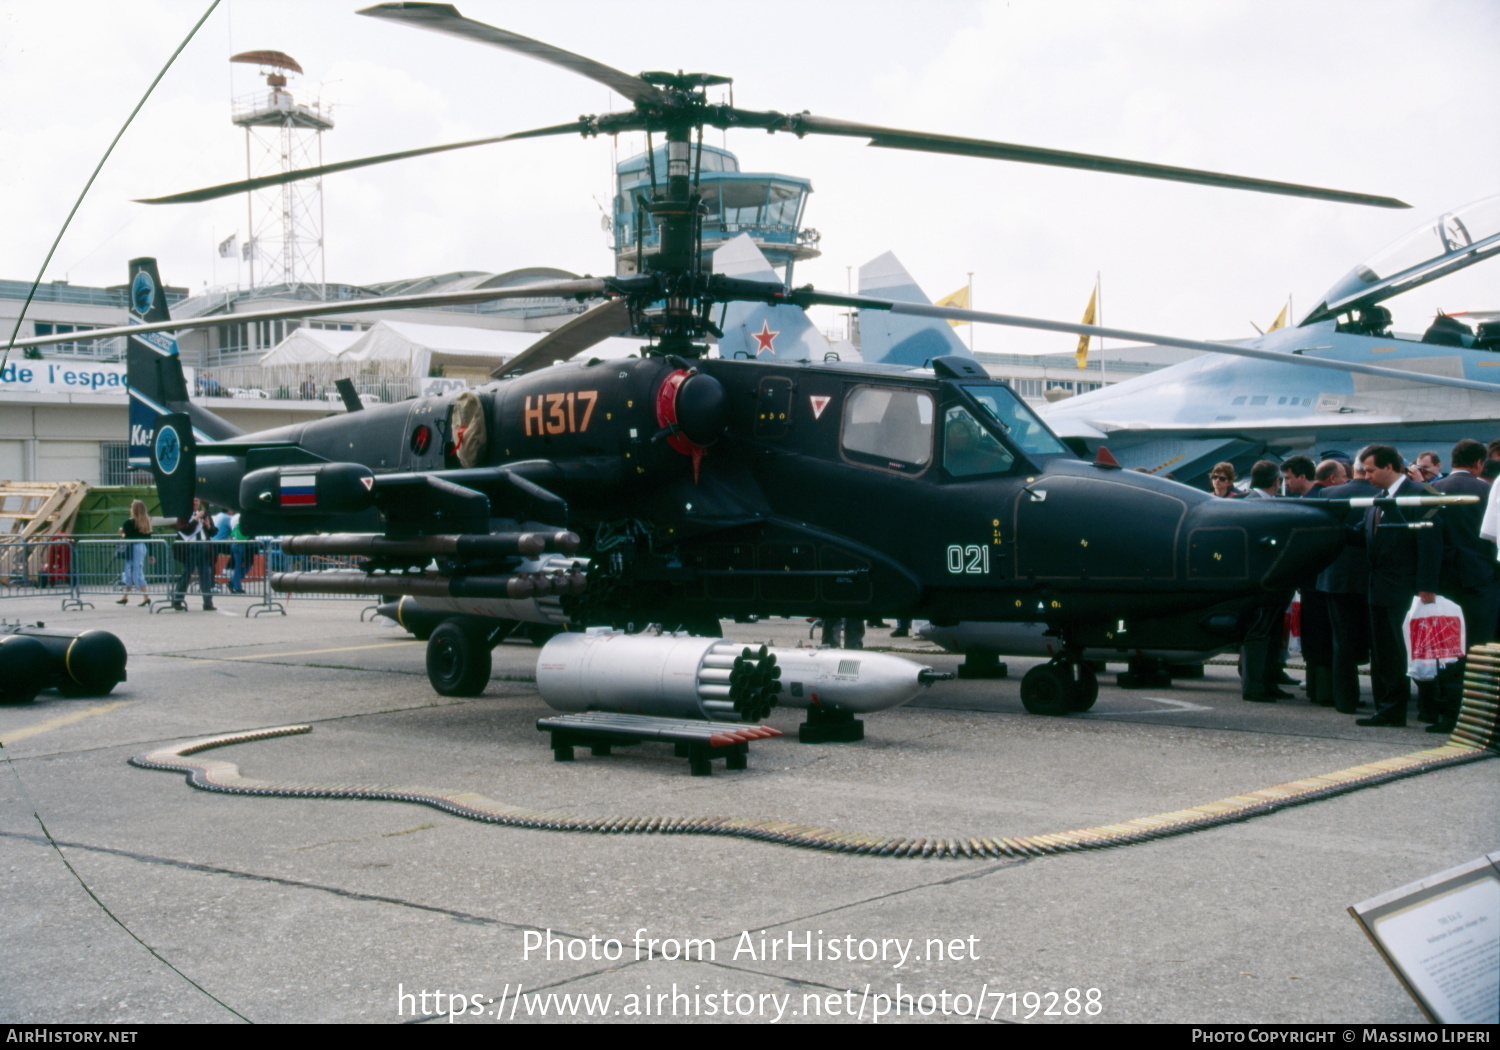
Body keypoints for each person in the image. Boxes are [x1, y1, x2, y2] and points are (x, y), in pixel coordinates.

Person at [1352, 445, 1441, 728]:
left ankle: (1430, 709)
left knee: (1417, 652)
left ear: (1390, 467)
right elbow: (1363, 537)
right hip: (1379, 589)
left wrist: (1426, 586)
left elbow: (1430, 545)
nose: (1366, 476)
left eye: (1370, 470)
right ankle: (1390, 709)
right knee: (1385, 654)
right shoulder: (1378, 500)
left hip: (1408, 591)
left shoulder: (1419, 495)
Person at [1429, 438, 1498, 734]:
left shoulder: (1432, 491)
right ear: (1479, 463)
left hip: (1443, 581)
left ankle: (1445, 713)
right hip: (1481, 580)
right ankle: (1480, 716)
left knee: (1446, 650)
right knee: (1480, 649)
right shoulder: (1486, 489)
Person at [171, 507, 216, 612]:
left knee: (206, 574)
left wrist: (208, 526)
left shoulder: (205, 514)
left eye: (197, 501)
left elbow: (213, 532)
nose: (196, 503)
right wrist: (196, 519)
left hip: (204, 546)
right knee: (186, 573)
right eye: (194, 501)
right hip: (190, 547)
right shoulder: (184, 514)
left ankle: (208, 603)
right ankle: (177, 600)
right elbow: (185, 530)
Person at [115, 499, 153, 606]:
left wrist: (121, 534)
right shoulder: (146, 522)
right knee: (136, 569)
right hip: (142, 547)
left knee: (131, 570)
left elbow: (128, 537)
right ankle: (129, 596)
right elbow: (149, 539)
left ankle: (142, 597)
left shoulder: (128, 523)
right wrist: (151, 554)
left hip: (132, 548)